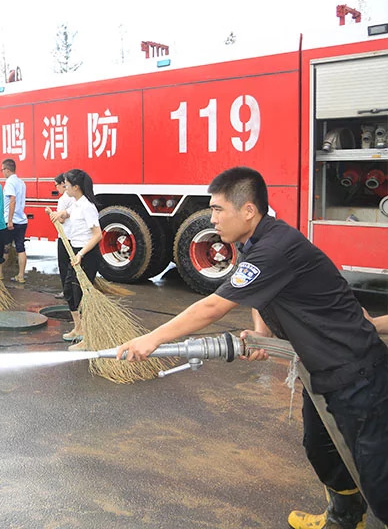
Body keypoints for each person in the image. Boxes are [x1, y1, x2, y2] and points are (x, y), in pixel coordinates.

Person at [115, 166, 388, 528]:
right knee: (321, 448)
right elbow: (260, 293)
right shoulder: (253, 243)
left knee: (378, 476)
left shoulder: (275, 248)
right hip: (320, 370)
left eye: (217, 209)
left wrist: (151, 339)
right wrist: (262, 333)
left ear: (248, 210)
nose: (212, 219)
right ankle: (345, 517)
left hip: (356, 373)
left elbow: (213, 307)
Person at [48, 169, 102, 346]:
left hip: (86, 254)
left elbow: (98, 235)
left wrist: (81, 253)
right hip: (75, 250)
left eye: (67, 185)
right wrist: (59, 214)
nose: (65, 188)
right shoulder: (76, 203)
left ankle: (87, 335)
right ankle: (78, 328)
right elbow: (67, 213)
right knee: (70, 291)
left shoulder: (87, 206)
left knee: (81, 294)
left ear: (76, 187)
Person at [1, 158, 28, 283]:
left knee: (5, 247)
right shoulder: (21, 182)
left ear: (7, 170)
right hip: (22, 220)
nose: (2, 172)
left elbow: (13, 200)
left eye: (2, 170)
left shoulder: (10, 183)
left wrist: (10, 220)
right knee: (20, 248)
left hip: (12, 220)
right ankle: (21, 276)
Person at [52, 174, 74, 300]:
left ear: (62, 184)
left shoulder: (63, 199)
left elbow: (61, 220)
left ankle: (66, 292)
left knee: (64, 265)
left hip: (64, 236)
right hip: (74, 236)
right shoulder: (76, 198)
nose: (56, 188)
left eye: (56, 185)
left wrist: (53, 214)